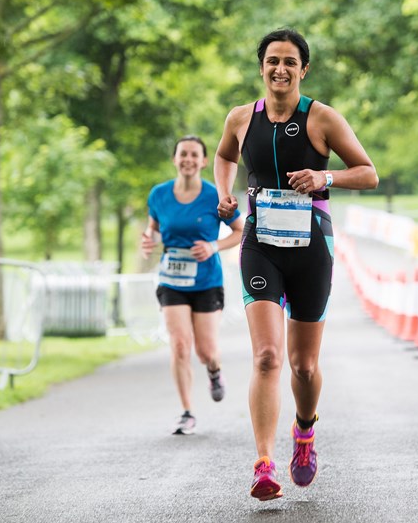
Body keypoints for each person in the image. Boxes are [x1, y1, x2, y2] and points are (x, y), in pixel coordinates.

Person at [213, 28, 378, 500]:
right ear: (261, 67)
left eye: (289, 61)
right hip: (260, 242)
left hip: (311, 246)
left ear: (303, 69)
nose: (280, 69)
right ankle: (264, 464)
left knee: (303, 366)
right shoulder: (242, 118)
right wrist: (225, 193)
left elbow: (369, 172)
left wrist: (324, 175)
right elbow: (225, 156)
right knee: (267, 356)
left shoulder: (322, 118)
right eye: (272, 61)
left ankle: (304, 433)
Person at [141, 135, 244, 436]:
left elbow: (240, 230)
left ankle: (214, 371)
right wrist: (148, 240)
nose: (187, 159)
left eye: (194, 155)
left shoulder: (214, 195)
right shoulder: (159, 194)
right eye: (182, 154)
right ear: (175, 159)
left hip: (207, 281)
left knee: (206, 350)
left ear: (202, 161)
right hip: (172, 280)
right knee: (179, 344)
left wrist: (213, 246)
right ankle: (187, 412)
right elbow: (154, 230)